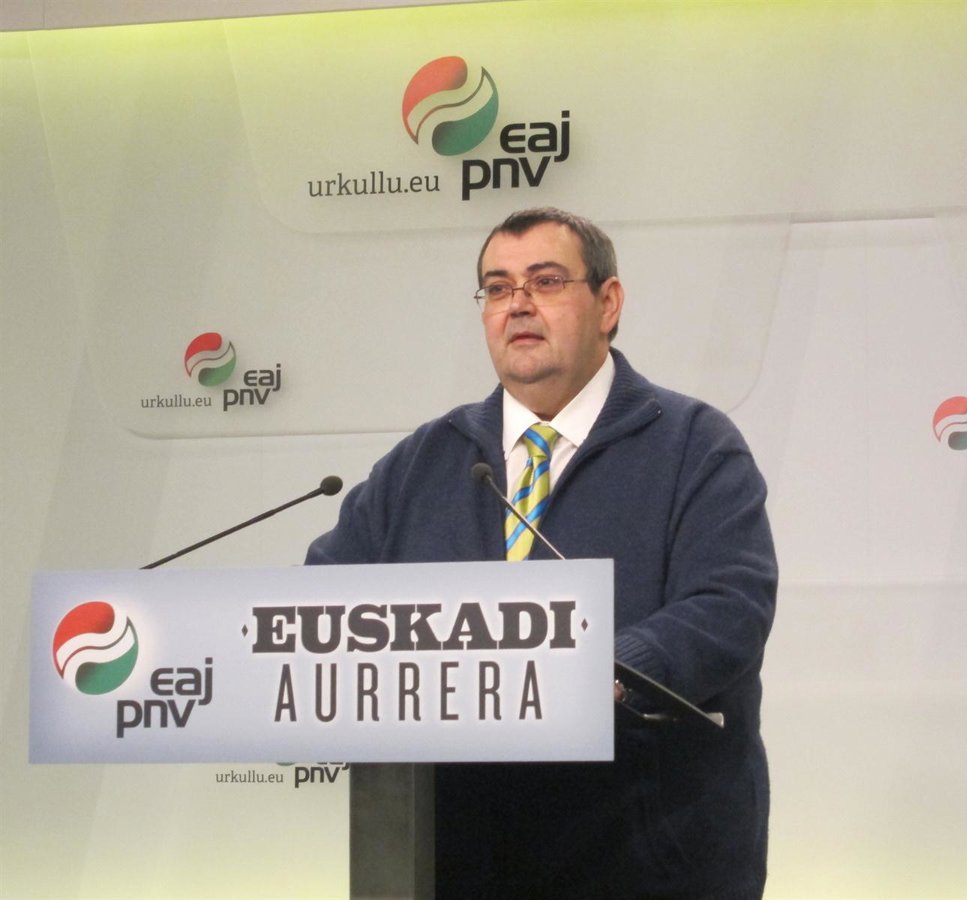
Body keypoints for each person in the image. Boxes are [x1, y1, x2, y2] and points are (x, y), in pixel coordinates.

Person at [307, 208, 777, 899]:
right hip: (453, 862)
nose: (518, 304)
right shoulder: (425, 460)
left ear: (608, 304)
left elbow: (728, 606)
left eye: (546, 281)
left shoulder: (693, 444)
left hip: (645, 863)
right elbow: (322, 606)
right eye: (498, 288)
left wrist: (604, 671)